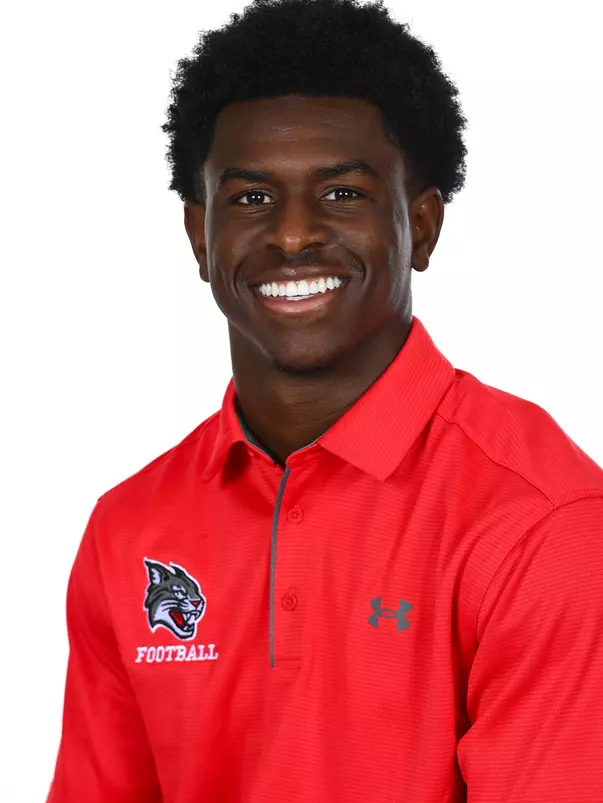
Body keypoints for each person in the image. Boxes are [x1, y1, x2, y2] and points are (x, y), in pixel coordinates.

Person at [48, 0, 603, 800]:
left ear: (422, 223)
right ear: (199, 236)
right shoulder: (126, 528)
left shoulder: (543, 522)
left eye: (342, 195)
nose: (295, 234)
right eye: (249, 198)